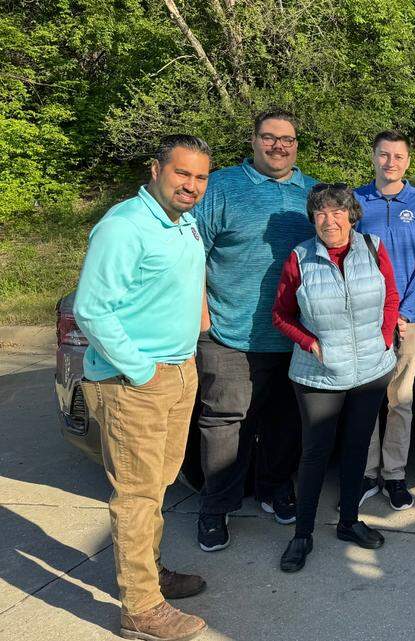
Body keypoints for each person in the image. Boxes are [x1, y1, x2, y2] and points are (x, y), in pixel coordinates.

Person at [74, 135, 212, 641]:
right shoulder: (124, 226)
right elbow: (91, 309)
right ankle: (141, 608)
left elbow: (187, 279)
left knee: (158, 486)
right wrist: (141, 369)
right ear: (156, 169)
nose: (191, 186)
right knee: (136, 493)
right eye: (182, 174)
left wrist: (198, 325)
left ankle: (149, 575)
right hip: (135, 380)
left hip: (178, 371)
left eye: (200, 177)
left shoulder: (183, 223)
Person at [194, 109, 317, 552]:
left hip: (292, 336)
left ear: (297, 144)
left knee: (285, 421)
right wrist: (205, 323)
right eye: (269, 137)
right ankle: (216, 507)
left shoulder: (311, 192)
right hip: (228, 333)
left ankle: (274, 488)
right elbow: (191, 257)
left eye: (287, 139)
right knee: (227, 424)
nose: (278, 146)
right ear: (254, 141)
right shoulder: (222, 187)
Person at [271, 184, 400, 572]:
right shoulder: (300, 258)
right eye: (321, 213)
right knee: (314, 454)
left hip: (370, 371)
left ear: (351, 215)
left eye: (338, 212)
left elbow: (391, 297)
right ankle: (302, 535)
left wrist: (384, 335)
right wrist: (310, 344)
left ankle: (348, 522)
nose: (330, 220)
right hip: (319, 375)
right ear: (313, 219)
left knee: (356, 448)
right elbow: (281, 315)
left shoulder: (374, 248)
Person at [354, 131, 415, 511]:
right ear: (373, 157)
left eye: (398, 156)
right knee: (366, 399)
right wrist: (377, 313)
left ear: (409, 161)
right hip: (366, 318)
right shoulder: (355, 200)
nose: (391, 162)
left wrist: (403, 312)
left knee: (400, 398)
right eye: (384, 155)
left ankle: (395, 475)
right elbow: (349, 258)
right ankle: (366, 472)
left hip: (411, 317)